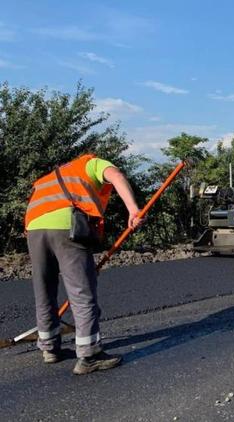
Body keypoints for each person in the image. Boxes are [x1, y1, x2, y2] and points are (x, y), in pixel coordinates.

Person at [24, 153, 144, 375]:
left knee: (44, 289)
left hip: (34, 229)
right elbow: (116, 175)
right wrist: (133, 209)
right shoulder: (91, 164)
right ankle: (89, 355)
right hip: (65, 227)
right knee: (81, 291)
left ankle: (50, 349)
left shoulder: (50, 177)